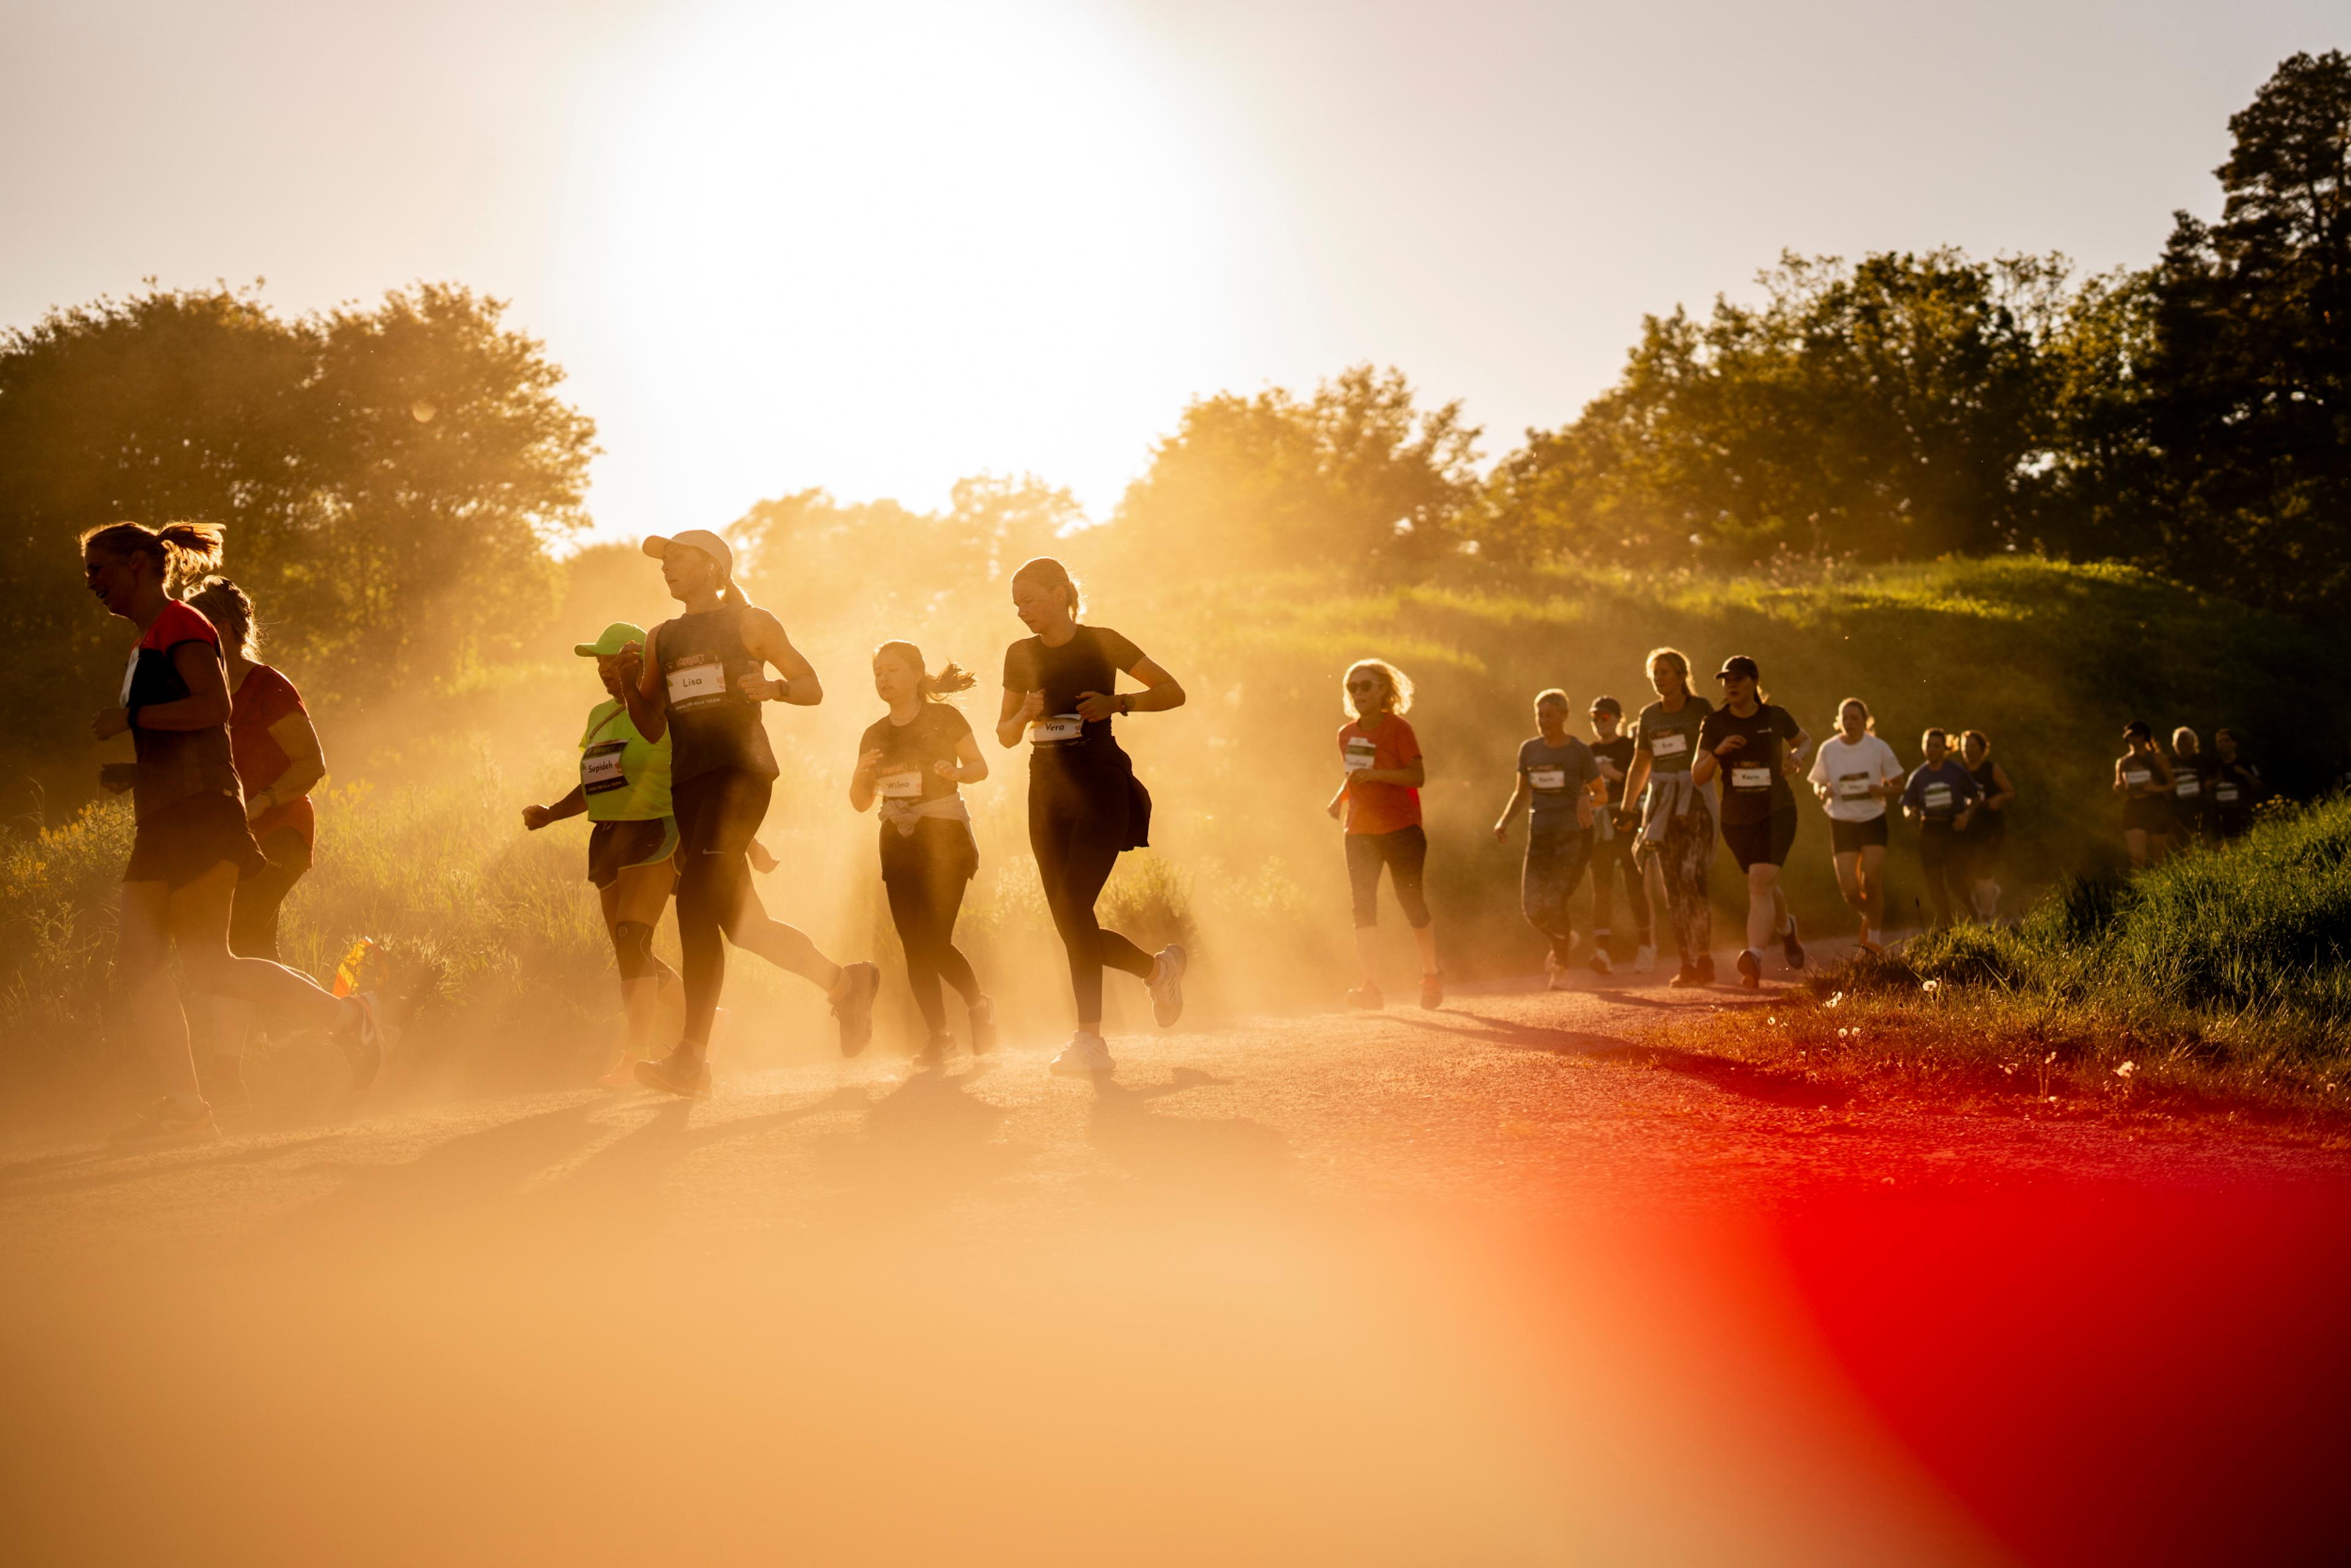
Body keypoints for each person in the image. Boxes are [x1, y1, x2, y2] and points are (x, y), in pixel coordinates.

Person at [82, 522, 389, 1146]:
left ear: (141, 563)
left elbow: (214, 708)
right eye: (88, 572)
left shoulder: (183, 627)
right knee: (164, 962)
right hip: (168, 812)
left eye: (101, 569)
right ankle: (191, 1106)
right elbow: (192, 733)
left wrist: (129, 717)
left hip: (203, 813)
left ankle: (344, 1021)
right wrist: (139, 764)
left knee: (202, 964)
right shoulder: (149, 639)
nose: (93, 583)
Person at [617, 529, 880, 1099]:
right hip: (688, 784)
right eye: (665, 562)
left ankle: (692, 1058)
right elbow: (653, 724)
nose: (668, 568)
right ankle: (847, 983)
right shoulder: (662, 636)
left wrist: (772, 689)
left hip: (741, 776)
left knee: (692, 899)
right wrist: (627, 687)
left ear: (714, 567)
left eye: (679, 558)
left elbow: (811, 686)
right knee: (745, 928)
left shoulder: (751, 622)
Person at [994, 557, 1188, 1076]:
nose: (1022, 611)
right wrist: (1023, 713)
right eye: (1016, 604)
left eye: (1030, 599)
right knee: (1069, 921)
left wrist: (1119, 701)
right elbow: (1004, 734)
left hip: (1100, 782)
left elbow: (1173, 691)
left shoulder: (1104, 641)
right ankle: (1158, 969)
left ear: (1061, 593)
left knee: (1074, 905)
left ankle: (1090, 1040)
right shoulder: (1019, 654)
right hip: (1046, 789)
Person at [179, 577, 328, 1112]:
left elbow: (312, 764)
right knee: (252, 950)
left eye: (193, 635)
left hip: (281, 832)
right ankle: (341, 1026)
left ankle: (227, 1077)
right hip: (230, 838)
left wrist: (263, 801)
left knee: (238, 940)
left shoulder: (269, 688)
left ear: (221, 631)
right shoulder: (202, 695)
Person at [522, 621, 683, 1086]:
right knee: (630, 947)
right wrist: (553, 812)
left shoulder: (661, 708)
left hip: (654, 827)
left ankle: (635, 1056)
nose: (604, 672)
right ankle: (709, 1018)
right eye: (599, 665)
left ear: (636, 663)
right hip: (607, 835)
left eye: (612, 663)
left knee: (633, 937)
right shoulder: (597, 715)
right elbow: (596, 779)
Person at [850, 640, 994, 1068]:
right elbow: (860, 802)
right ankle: (939, 1036)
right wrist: (860, 775)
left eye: (892, 669)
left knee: (933, 940)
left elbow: (979, 766)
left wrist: (957, 773)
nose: (884, 678)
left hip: (944, 835)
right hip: (897, 840)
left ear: (916, 673)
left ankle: (977, 1005)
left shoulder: (944, 718)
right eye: (878, 672)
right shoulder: (874, 733)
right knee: (914, 946)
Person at [1692, 655, 1812, 988]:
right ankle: (1787, 930)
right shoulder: (1714, 724)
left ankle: (1754, 958)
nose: (1730, 685)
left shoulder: (1775, 717)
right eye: (1726, 680)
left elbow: (1805, 740)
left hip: (1777, 810)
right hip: (1736, 817)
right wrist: (1718, 753)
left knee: (1759, 882)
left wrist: (1797, 757)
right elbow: (1698, 776)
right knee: (1764, 885)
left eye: (1738, 679)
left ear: (1754, 683)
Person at [1327, 659, 1439, 1010]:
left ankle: (1432, 974)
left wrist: (1377, 776)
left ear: (1383, 691)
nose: (1358, 693)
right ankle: (1371, 987)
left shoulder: (1398, 729)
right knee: (1362, 908)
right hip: (1359, 831)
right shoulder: (1346, 734)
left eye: (1366, 686)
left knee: (1411, 902)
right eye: (1352, 687)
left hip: (1401, 828)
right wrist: (1338, 799)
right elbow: (1355, 774)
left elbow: (1416, 777)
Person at [1619, 648, 1715, 987]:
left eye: (1665, 672)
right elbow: (1640, 763)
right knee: (1672, 889)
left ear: (1681, 674)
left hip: (1695, 802)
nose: (1660, 678)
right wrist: (1628, 808)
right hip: (1661, 806)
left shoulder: (1701, 709)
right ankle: (1687, 962)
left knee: (1693, 878)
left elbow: (1717, 754)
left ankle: (1704, 957)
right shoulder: (1649, 716)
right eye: (1655, 673)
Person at [1493, 689, 1601, 986]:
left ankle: (1562, 965)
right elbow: (1522, 792)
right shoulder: (1529, 749)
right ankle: (1565, 939)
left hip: (1571, 837)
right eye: (1539, 715)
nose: (1543, 721)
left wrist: (1585, 796)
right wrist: (1504, 821)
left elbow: (1600, 792)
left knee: (1554, 902)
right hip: (1539, 836)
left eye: (1549, 715)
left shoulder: (1579, 751)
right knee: (1532, 908)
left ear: (1564, 716)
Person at [1806, 697, 1905, 953]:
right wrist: (1823, 790)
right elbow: (1817, 782)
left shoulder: (1878, 747)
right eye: (1845, 718)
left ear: (1865, 721)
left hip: (1872, 818)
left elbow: (1900, 784)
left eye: (1855, 718)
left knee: (1872, 880)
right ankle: (1868, 915)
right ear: (1838, 721)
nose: (1849, 723)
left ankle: (1874, 939)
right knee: (1850, 890)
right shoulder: (1828, 749)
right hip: (1841, 821)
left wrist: (1880, 789)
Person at [1585, 696, 1654, 975]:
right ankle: (1601, 952)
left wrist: (1610, 773)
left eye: (1604, 717)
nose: (1599, 723)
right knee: (1601, 887)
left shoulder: (1630, 747)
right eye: (1594, 718)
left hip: (1627, 820)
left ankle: (1646, 948)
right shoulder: (1586, 751)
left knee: (1633, 884)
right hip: (1599, 824)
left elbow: (1642, 779)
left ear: (1617, 719)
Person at [1902, 727, 1983, 926]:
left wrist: (1966, 815)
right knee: (1934, 882)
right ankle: (1948, 925)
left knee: (1956, 879)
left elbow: (1976, 796)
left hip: (1952, 828)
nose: (1931, 749)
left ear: (1945, 748)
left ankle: (1973, 916)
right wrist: (1909, 813)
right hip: (1929, 829)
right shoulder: (1918, 776)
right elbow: (1906, 803)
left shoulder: (1956, 771)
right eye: (1928, 745)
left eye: (1936, 745)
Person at [1958, 729, 2016, 921]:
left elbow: (2010, 791)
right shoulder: (1959, 770)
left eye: (1972, 746)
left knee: (1984, 865)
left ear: (1982, 749)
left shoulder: (1991, 769)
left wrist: (1999, 798)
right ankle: (1986, 897)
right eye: (1965, 746)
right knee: (1967, 868)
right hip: (1968, 826)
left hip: (1991, 826)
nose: (1968, 749)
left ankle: (1986, 914)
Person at [2115, 720, 2176, 869]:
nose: (2135, 739)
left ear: (2145, 737)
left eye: (2138, 735)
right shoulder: (2123, 762)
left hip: (2155, 806)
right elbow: (2118, 785)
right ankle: (2138, 889)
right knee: (2137, 856)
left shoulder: (2158, 759)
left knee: (2158, 856)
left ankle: (2160, 889)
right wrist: (2119, 787)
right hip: (2134, 807)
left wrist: (2156, 789)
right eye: (2131, 736)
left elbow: (2173, 784)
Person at [2208, 729, 2263, 839]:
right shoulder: (2214, 765)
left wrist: (2245, 774)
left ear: (2234, 743)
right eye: (2220, 741)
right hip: (2222, 815)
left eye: (2227, 740)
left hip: (2243, 813)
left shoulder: (2245, 763)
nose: (2223, 743)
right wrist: (2217, 781)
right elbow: (2206, 787)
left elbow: (2260, 785)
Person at [2168, 727, 2209, 848]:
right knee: (2181, 843)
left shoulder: (2202, 760)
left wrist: (2209, 785)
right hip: (2177, 809)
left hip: (2200, 807)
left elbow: (2217, 777)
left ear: (2194, 743)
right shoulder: (2168, 762)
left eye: (2186, 741)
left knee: (2201, 840)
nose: (2182, 744)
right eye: (2179, 741)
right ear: (2174, 744)